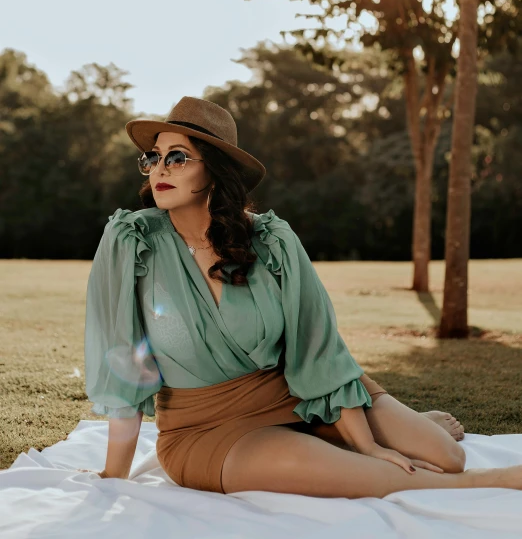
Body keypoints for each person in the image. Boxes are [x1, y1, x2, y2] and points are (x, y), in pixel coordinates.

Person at [81, 96, 522, 496]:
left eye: (177, 157)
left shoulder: (271, 239)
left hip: (302, 391)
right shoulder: (131, 241)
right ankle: (490, 481)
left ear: (215, 169)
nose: (159, 169)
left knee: (448, 455)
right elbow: (125, 364)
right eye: (153, 157)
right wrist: (113, 476)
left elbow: (317, 345)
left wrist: (366, 443)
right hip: (206, 428)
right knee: (359, 476)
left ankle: (352, 435)